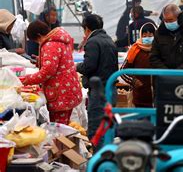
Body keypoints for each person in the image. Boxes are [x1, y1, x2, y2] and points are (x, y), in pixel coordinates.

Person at [21, 21, 82, 124]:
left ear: (39, 35)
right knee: (65, 125)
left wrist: (26, 80)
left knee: (58, 130)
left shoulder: (50, 44)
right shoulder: (59, 40)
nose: (38, 43)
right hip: (68, 89)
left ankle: (62, 141)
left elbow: (47, 72)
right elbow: (59, 61)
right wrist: (41, 60)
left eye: (36, 40)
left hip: (60, 93)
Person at [76, 14, 118, 142]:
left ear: (87, 29)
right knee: (107, 126)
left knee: (96, 129)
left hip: (99, 91)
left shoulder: (93, 42)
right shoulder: (109, 39)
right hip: (111, 88)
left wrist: (77, 66)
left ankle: (99, 158)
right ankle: (108, 154)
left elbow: (89, 66)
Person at [150, 4, 183, 69]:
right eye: (165, 21)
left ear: (180, 18)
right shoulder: (159, 33)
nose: (167, 23)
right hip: (164, 76)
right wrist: (166, 72)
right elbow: (153, 56)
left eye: (170, 20)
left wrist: (178, 72)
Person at [121, 23, 157, 107]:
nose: (147, 37)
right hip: (140, 97)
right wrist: (133, 81)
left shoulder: (159, 49)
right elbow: (123, 71)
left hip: (158, 97)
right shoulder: (135, 50)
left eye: (150, 35)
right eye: (144, 35)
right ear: (141, 35)